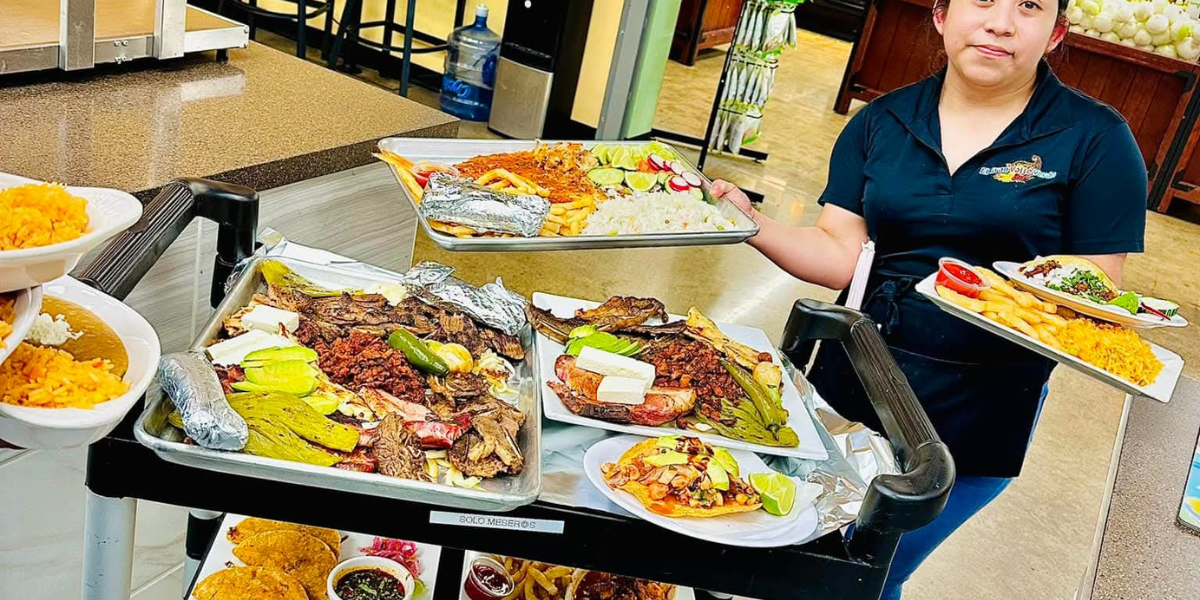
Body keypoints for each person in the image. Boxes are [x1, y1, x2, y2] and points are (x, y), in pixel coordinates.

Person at [710, 0, 1147, 596]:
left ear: (1055, 32)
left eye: (1029, 6)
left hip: (980, 410)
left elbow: (1089, 286)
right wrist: (749, 222)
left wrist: (1003, 291)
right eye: (982, 1)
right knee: (800, 555)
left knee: (868, 573)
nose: (1000, 22)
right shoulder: (883, 120)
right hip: (853, 378)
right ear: (941, 15)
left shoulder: (1096, 140)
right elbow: (841, 252)